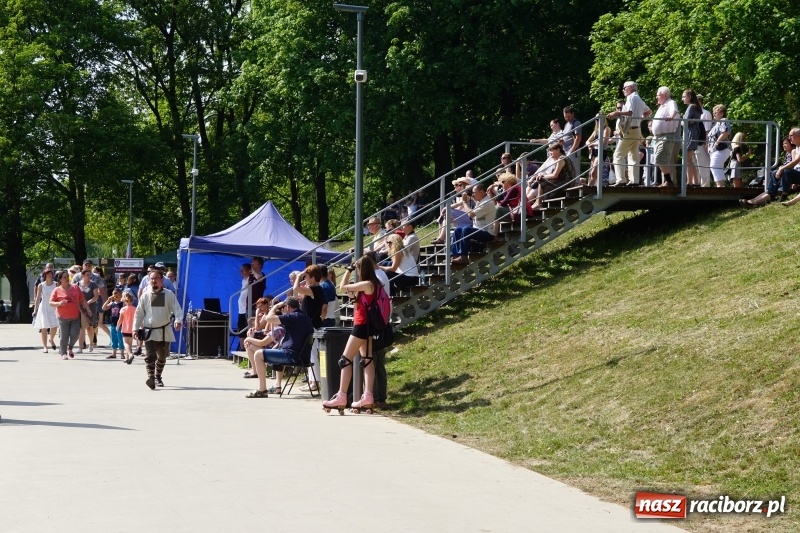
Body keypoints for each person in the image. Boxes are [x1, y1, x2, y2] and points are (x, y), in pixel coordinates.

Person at [321, 256, 383, 412]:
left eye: (358, 269)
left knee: (345, 360)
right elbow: (360, 303)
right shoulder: (374, 284)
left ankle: (341, 396)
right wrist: (353, 297)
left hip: (361, 326)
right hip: (368, 326)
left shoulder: (367, 283)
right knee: (367, 360)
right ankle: (368, 396)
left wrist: (348, 270)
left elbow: (342, 286)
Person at [245, 297, 314, 398]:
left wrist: (275, 306)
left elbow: (269, 318)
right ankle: (277, 385)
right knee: (277, 350)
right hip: (302, 356)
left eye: (283, 308)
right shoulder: (303, 317)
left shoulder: (293, 317)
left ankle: (262, 389)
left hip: (292, 355)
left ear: (288, 307)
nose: (282, 311)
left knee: (258, 354)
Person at [133, 269, 183, 389]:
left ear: (162, 280)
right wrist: (135, 328)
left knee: (162, 356)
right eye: (151, 279)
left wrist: (178, 320)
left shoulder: (169, 294)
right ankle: (151, 378)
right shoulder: (145, 295)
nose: (154, 281)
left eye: (156, 278)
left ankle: (158, 376)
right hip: (150, 331)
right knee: (150, 356)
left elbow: (177, 309)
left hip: (164, 331)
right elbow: (139, 313)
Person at [607, 81, 652, 186]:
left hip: (630, 130)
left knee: (618, 155)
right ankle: (634, 180)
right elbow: (649, 112)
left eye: (624, 88)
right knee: (633, 156)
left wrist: (617, 113)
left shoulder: (631, 98)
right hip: (636, 130)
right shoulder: (638, 98)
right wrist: (639, 120)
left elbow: (630, 112)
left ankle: (621, 180)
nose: (623, 90)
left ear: (630, 88)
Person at [744, 129, 800, 207]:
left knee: (785, 171)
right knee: (774, 173)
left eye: (791, 135)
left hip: (794, 174)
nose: (789, 137)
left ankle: (783, 193)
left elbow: (795, 162)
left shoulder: (794, 150)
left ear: (798, 136)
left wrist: (781, 169)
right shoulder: (797, 148)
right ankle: (759, 199)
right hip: (793, 174)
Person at [292, 265, 326, 393]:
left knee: (312, 355)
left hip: (312, 325)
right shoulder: (314, 289)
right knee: (310, 354)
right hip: (310, 324)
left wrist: (299, 276)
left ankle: (315, 382)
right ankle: (312, 381)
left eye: (306, 277)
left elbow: (295, 288)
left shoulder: (315, 289)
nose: (304, 279)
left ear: (312, 278)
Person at [50, 270, 93, 359]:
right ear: (60, 280)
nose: (66, 279)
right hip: (62, 317)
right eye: (64, 277)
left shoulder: (75, 288)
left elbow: (82, 299)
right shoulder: (57, 290)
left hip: (75, 316)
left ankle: (70, 347)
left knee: (75, 333)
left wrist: (88, 309)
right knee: (64, 335)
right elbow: (50, 303)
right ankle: (63, 353)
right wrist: (59, 303)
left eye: (67, 277)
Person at [450, 182, 496, 264]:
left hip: (487, 232)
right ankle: (455, 256)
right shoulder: (480, 201)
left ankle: (463, 257)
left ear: (481, 192)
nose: (473, 195)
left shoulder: (487, 203)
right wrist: (467, 192)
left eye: (474, 192)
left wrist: (464, 202)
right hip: (478, 230)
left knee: (466, 229)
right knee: (458, 230)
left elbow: (471, 214)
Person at [650, 87, 680, 187]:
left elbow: (674, 110)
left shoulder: (670, 103)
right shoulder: (662, 106)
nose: (656, 97)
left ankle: (669, 182)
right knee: (659, 160)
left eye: (658, 95)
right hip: (658, 138)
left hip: (666, 137)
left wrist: (671, 116)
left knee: (660, 159)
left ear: (665, 95)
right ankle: (668, 181)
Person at [530, 143, 575, 208]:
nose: (550, 153)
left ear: (558, 150)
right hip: (564, 180)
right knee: (543, 179)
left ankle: (538, 203)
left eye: (551, 150)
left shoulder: (561, 159)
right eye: (549, 151)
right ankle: (538, 202)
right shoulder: (561, 158)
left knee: (542, 181)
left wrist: (543, 176)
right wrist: (545, 175)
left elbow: (555, 175)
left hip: (567, 182)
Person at [32, 268, 59, 352]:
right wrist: (35, 310)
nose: (50, 275)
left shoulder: (56, 284)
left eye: (51, 273)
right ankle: (45, 346)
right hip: (44, 307)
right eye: (48, 274)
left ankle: (51, 339)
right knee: (44, 327)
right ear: (45, 275)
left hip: (53, 306)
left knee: (54, 326)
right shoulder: (41, 285)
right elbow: (37, 298)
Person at [681, 89, 703, 188]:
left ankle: (689, 182)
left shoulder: (691, 107)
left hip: (690, 134)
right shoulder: (696, 107)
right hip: (693, 134)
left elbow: (685, 121)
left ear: (689, 97)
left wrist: (683, 122)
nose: (682, 99)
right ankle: (695, 182)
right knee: (689, 159)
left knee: (687, 159)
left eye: (684, 96)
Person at [708, 104, 732, 187]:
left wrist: (717, 142)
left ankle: (720, 186)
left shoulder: (724, 120)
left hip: (721, 149)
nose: (714, 114)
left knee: (714, 166)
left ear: (722, 113)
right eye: (713, 112)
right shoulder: (715, 124)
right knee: (718, 167)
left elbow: (725, 132)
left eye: (716, 112)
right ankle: (721, 186)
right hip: (715, 150)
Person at [76, 269, 99, 353]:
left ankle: (91, 343)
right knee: (81, 328)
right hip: (81, 308)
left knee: (90, 327)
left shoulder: (93, 284)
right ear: (82, 275)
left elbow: (96, 296)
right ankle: (80, 347)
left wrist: (88, 302)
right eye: (87, 275)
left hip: (91, 307)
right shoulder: (78, 284)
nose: (89, 276)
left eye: (90, 275)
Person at [236, 263, 256, 347]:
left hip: (246, 309)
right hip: (241, 310)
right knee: (241, 330)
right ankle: (242, 349)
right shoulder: (243, 280)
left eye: (243, 270)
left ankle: (247, 348)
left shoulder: (250, 279)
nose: (241, 272)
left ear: (248, 271)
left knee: (247, 330)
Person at [102, 288, 124, 359]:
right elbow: (104, 308)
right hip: (112, 324)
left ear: (121, 295)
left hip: (120, 325)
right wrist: (108, 300)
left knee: (120, 339)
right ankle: (114, 353)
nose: (115, 296)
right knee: (113, 339)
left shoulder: (122, 304)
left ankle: (122, 354)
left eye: (117, 294)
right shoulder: (112, 304)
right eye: (114, 294)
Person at [696, 95, 713, 187]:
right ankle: (697, 185)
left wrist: (707, 143)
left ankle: (705, 186)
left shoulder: (705, 113)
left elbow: (707, 130)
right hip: (694, 143)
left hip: (702, 142)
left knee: (703, 165)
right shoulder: (693, 113)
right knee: (695, 165)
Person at [562, 106, 583, 175]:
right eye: (565, 117)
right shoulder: (566, 124)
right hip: (565, 151)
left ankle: (576, 184)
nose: (567, 118)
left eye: (569, 116)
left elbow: (578, 138)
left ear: (573, 114)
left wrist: (572, 150)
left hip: (573, 152)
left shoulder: (576, 123)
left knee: (574, 171)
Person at [118, 291, 136, 364]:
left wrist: (117, 326)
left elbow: (120, 319)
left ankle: (130, 354)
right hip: (132, 329)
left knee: (126, 343)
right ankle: (127, 358)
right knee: (130, 344)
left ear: (125, 301)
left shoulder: (123, 309)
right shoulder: (135, 309)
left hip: (125, 329)